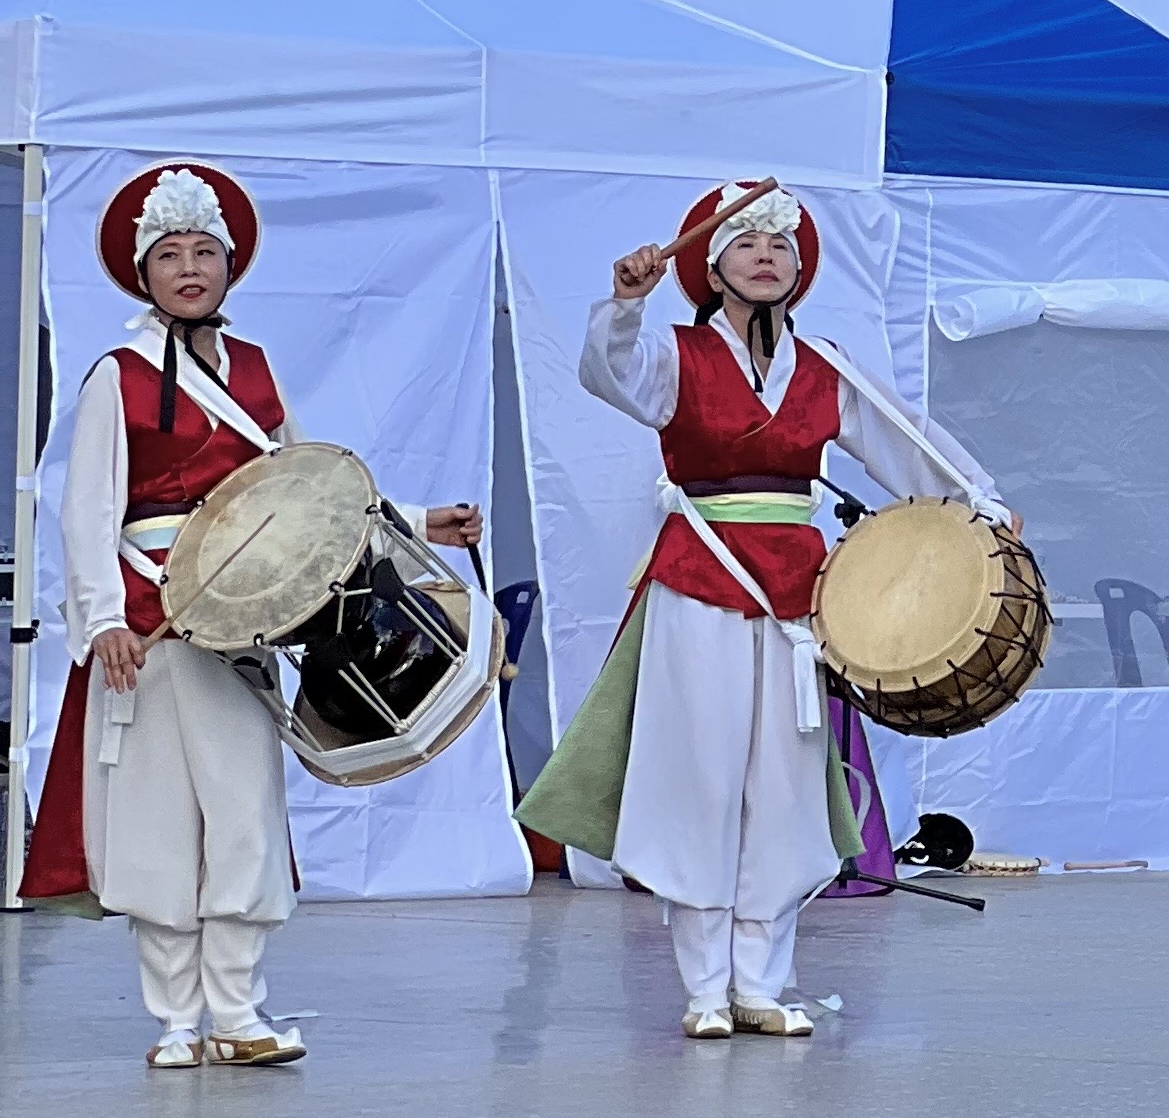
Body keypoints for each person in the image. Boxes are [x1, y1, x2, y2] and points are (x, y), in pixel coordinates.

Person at [519, 179, 1010, 1040]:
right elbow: (611, 374)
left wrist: (984, 508)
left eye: (779, 244)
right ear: (710, 267)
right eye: (744, 243)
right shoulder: (675, 353)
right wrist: (624, 306)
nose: (765, 255)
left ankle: (765, 982)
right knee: (699, 777)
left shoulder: (824, 367)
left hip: (798, 592)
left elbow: (908, 446)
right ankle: (705, 988)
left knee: (782, 786)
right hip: (700, 580)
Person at [26, 161, 483, 1066]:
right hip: (154, 620)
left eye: (206, 252)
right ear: (142, 273)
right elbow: (86, 510)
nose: (190, 267)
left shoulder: (258, 374)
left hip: (242, 618)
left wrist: (416, 522)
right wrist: (105, 618)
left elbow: (303, 491)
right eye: (171, 255)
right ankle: (175, 1021)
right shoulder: (115, 377)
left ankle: (237, 1012)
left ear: (229, 268)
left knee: (242, 810)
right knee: (159, 817)